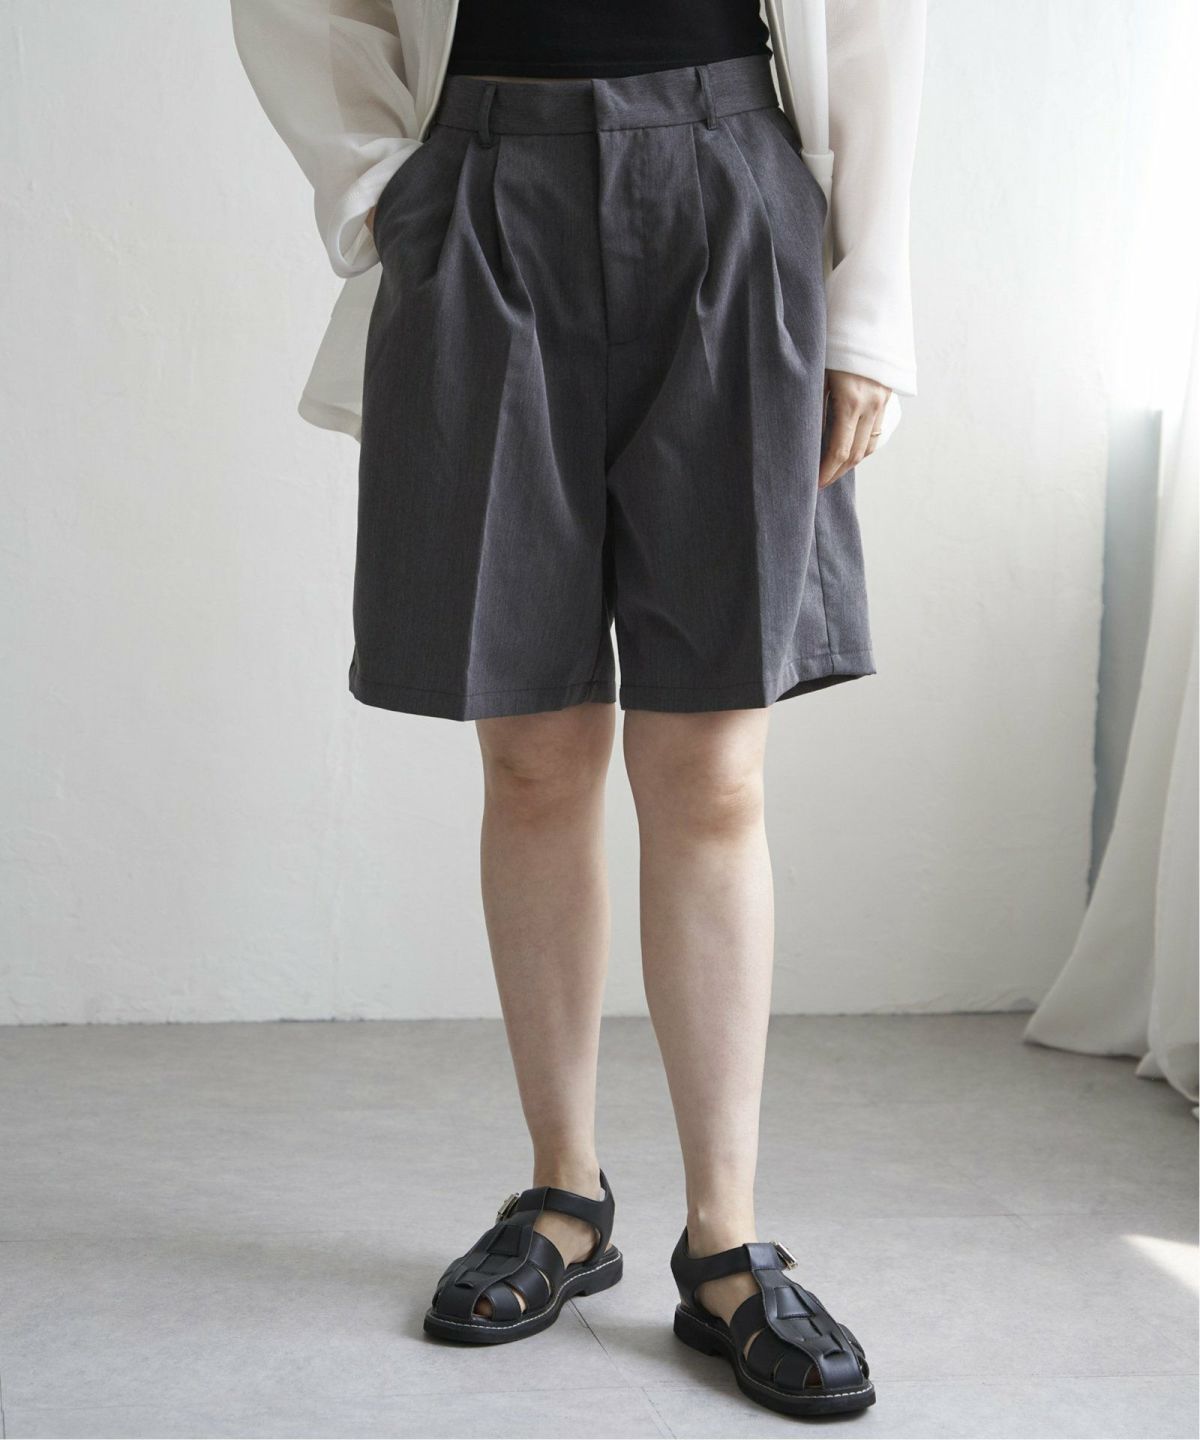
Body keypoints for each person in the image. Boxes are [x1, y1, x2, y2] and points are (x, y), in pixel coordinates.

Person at [232, 0, 925, 1418]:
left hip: (733, 181)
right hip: (484, 189)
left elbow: (873, 19)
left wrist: (869, 307)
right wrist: (385, 190)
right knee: (535, 752)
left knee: (713, 769)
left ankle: (725, 1240)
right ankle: (564, 1193)